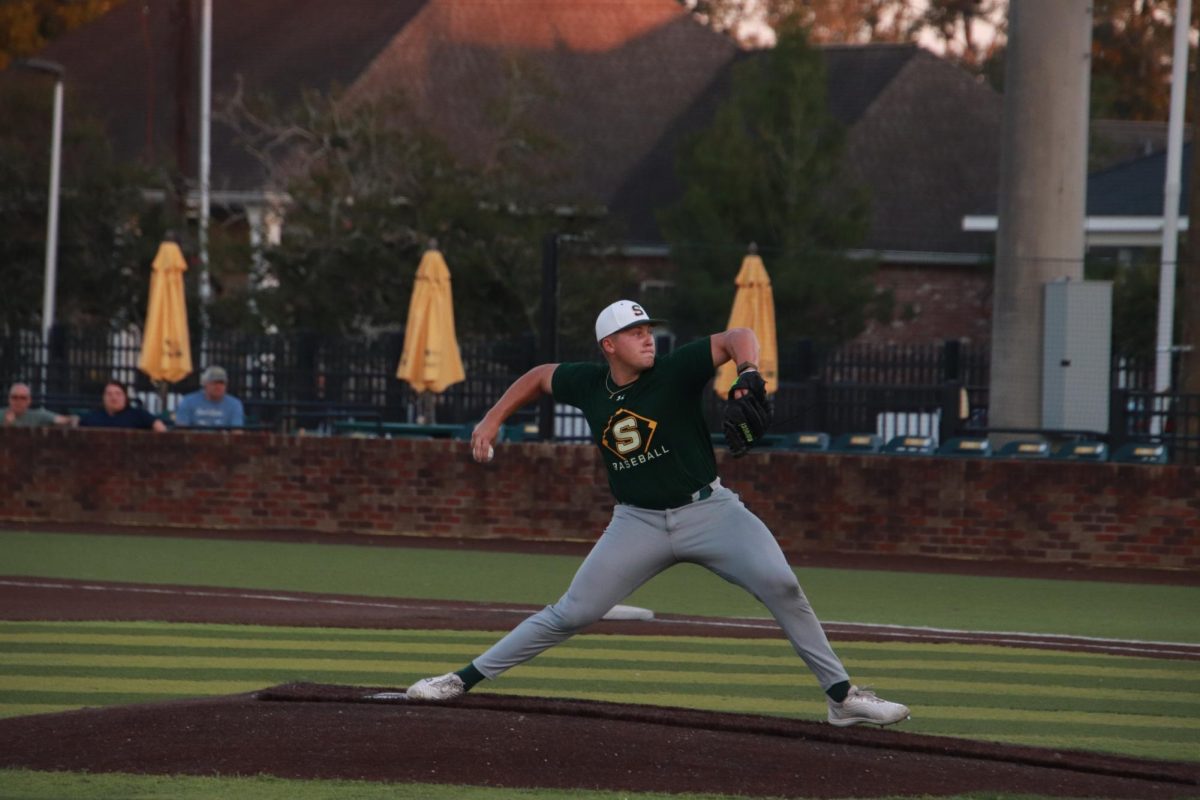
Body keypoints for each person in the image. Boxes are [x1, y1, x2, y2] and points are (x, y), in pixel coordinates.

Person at [406, 300, 910, 727]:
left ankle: (841, 697)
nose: (648, 339)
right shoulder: (588, 384)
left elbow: (738, 334)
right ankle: (459, 680)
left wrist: (749, 370)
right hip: (637, 522)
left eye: (649, 330)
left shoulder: (675, 368)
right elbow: (540, 377)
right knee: (571, 613)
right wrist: (491, 420)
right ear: (609, 345)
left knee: (783, 587)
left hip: (711, 511)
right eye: (635, 333)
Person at [79, 381, 167, 432]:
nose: (114, 398)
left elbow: (159, 427)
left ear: (125, 397)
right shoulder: (93, 416)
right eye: (109, 394)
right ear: (103, 397)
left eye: (118, 394)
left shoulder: (138, 415)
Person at [175, 366, 245, 428]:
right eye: (214, 383)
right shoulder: (188, 401)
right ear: (204, 383)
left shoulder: (235, 404)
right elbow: (181, 430)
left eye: (221, 383)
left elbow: (237, 432)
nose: (218, 386)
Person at [3, 382, 74, 427]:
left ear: (29, 401)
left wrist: (71, 420)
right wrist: (6, 425)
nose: (18, 401)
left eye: (23, 398)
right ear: (9, 399)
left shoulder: (37, 415)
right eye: (14, 397)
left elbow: (63, 420)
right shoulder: (1, 414)